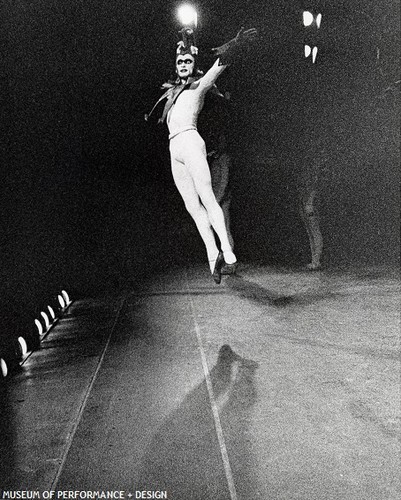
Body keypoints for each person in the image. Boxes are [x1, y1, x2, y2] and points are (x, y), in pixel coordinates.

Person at [146, 27, 257, 283]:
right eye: (180, 62)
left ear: (194, 65)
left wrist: (233, 44)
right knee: (192, 206)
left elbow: (220, 65)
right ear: (175, 66)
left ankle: (228, 251)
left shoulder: (198, 87)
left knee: (208, 197)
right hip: (174, 148)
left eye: (188, 61)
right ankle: (212, 254)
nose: (184, 64)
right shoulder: (171, 93)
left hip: (191, 141)